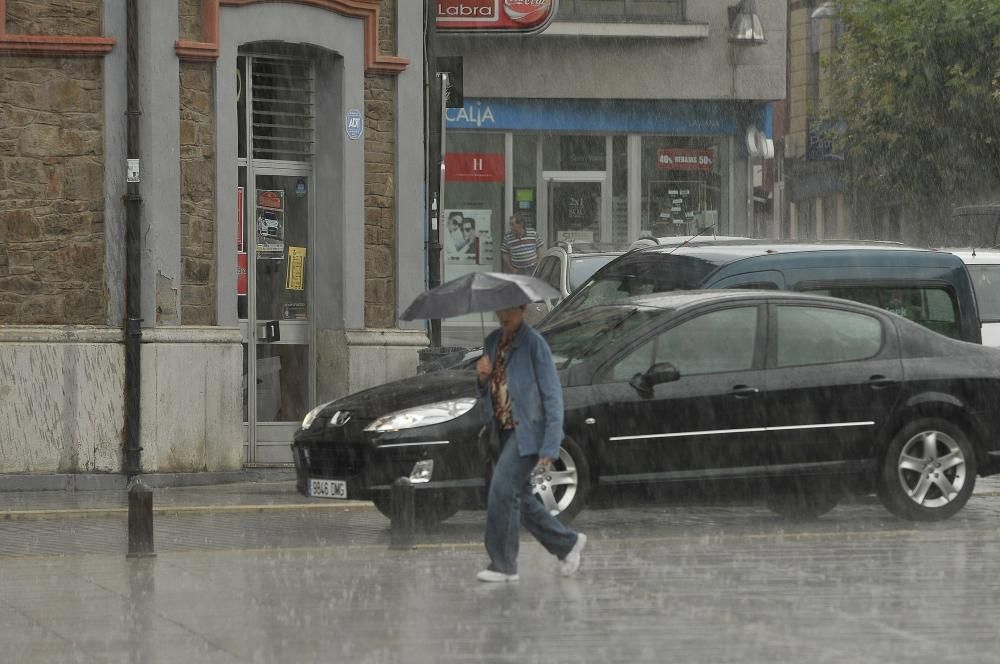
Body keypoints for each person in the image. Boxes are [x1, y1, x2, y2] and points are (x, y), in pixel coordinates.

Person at [475, 304, 586, 582]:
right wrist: (482, 378)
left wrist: (550, 445)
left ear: (523, 310)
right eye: (501, 311)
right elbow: (490, 393)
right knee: (520, 499)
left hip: (527, 432)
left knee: (501, 491)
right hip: (500, 432)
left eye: (510, 310)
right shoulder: (491, 342)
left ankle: (503, 565)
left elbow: (552, 396)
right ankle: (567, 543)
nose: (504, 315)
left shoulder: (534, 344)